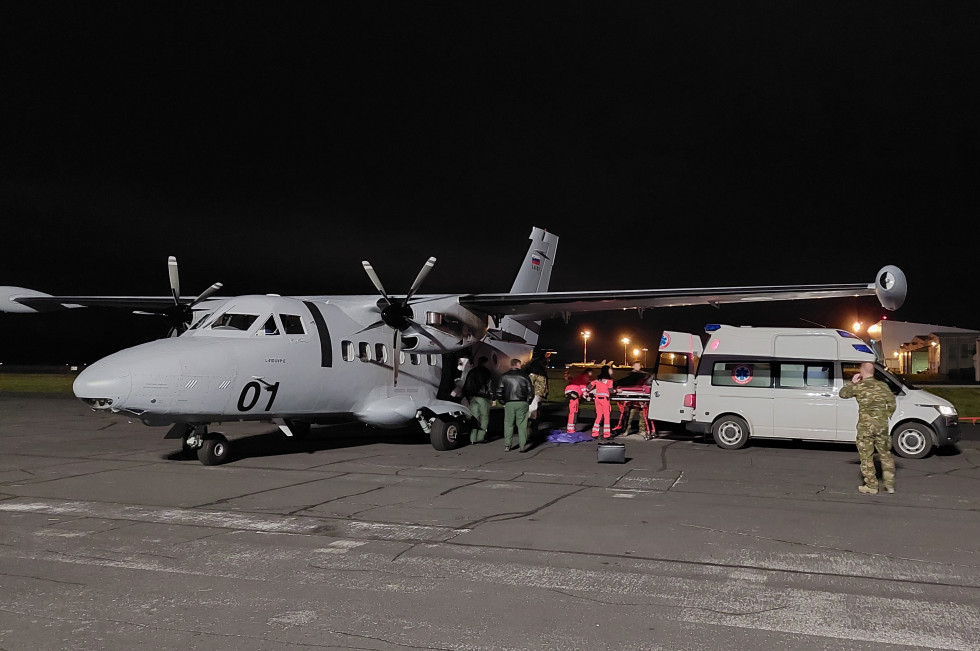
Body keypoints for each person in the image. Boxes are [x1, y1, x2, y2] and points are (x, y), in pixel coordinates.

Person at [839, 362, 897, 494]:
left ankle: (871, 485)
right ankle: (889, 485)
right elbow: (892, 403)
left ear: (862, 371)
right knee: (885, 454)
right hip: (882, 426)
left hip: (866, 427)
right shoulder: (883, 385)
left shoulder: (859, 386)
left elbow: (843, 394)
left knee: (866, 455)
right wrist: (885, 416)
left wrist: (852, 383)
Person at [496, 358, 534, 452]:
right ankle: (522, 446)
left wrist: (502, 402)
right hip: (522, 402)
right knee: (522, 425)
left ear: (511, 365)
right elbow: (530, 391)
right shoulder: (524, 376)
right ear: (518, 364)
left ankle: (507, 445)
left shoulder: (504, 376)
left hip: (509, 402)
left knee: (508, 424)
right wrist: (528, 401)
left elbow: (499, 391)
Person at [613, 362, 651, 437]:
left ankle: (642, 430)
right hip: (633, 400)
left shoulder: (643, 375)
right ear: (633, 366)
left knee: (643, 416)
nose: (638, 367)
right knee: (629, 416)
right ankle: (626, 430)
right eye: (636, 365)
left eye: (639, 365)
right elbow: (627, 381)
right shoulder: (633, 375)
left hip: (641, 399)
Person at [462, 356, 494, 444]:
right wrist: (492, 397)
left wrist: (467, 397)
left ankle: (472, 439)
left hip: (472, 397)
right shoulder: (487, 372)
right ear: (486, 363)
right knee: (484, 418)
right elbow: (489, 386)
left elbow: (467, 385)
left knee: (474, 418)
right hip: (483, 397)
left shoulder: (472, 372)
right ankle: (480, 437)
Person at [586, 365, 615, 440]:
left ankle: (594, 433)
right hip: (604, 399)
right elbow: (610, 391)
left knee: (599, 416)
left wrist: (588, 394)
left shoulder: (597, 379)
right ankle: (606, 434)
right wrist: (617, 391)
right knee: (606, 416)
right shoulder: (609, 380)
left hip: (597, 399)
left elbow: (588, 387)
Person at [563, 368, 593, 433]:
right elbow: (583, 387)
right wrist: (586, 396)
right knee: (574, 411)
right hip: (574, 392)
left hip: (571, 392)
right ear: (589, 372)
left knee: (573, 411)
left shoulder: (580, 376)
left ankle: (570, 429)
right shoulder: (585, 377)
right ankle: (571, 430)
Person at [526, 358, 549, 434]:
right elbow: (530, 383)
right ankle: (531, 430)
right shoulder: (536, 372)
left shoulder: (538, 372)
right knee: (533, 412)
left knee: (535, 412)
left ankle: (533, 429)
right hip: (535, 395)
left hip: (537, 394)